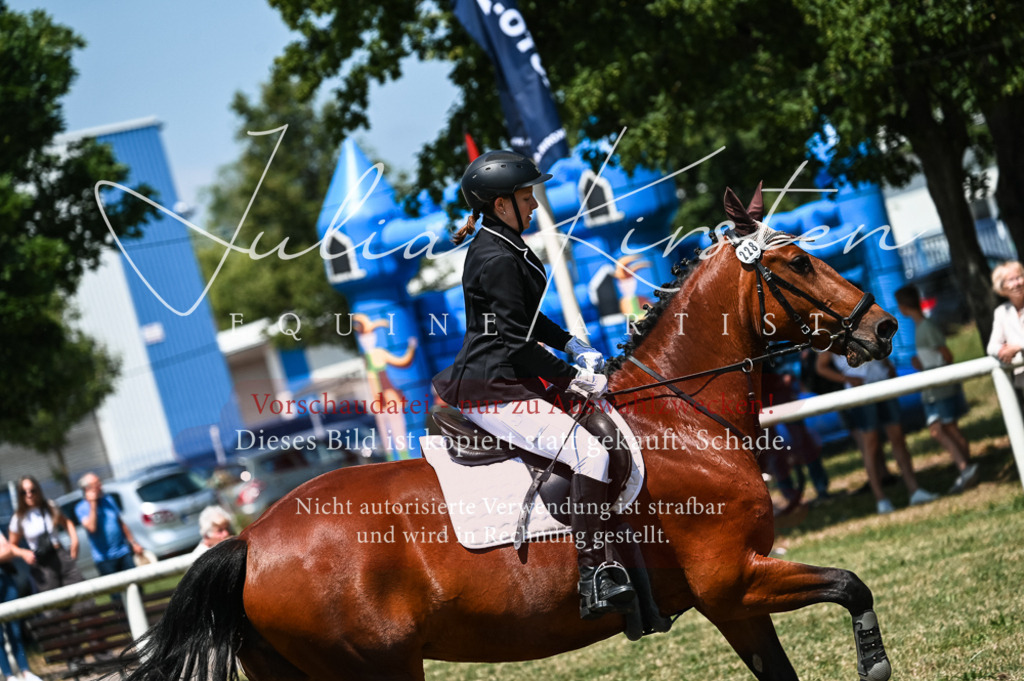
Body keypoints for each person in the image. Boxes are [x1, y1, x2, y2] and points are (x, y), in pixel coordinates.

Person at [432, 150, 635, 619]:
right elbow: (516, 342)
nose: (536, 206)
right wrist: (574, 375)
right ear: (501, 204)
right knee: (592, 454)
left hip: (510, 377)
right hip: (494, 388)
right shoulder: (496, 256)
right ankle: (594, 576)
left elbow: (526, 319)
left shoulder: (503, 245)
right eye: (527, 197)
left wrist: (569, 342)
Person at [816, 352, 939, 514]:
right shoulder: (832, 331)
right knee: (871, 444)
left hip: (882, 382)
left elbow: (877, 346)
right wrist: (848, 379)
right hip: (860, 392)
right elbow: (821, 367)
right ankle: (881, 499)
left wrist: (888, 365)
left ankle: (914, 490)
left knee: (898, 438)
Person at [895, 286, 978, 494]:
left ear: (904, 307)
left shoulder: (926, 327)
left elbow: (946, 355)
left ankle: (966, 468)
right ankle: (966, 468)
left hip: (939, 386)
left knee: (941, 429)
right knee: (947, 428)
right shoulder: (921, 327)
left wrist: (938, 373)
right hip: (934, 384)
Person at [8, 476, 85, 594]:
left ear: (38, 490)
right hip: (41, 562)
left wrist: (74, 541)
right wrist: (24, 553)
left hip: (60, 554)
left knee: (79, 594)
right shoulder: (18, 517)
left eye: (32, 491)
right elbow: (12, 545)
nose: (29, 495)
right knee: (53, 605)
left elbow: (67, 522)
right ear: (20, 495)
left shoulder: (49, 506)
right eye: (24, 492)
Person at [75, 473, 144, 575]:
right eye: (97, 484)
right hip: (104, 559)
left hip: (123, 552)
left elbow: (121, 523)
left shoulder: (108, 500)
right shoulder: (81, 508)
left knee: (136, 586)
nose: (101, 486)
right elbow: (92, 528)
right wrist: (93, 504)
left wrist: (133, 543)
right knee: (116, 590)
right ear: (87, 489)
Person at [0, 533, 45, 681]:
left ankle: (26, 672)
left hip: (6, 580)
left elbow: (8, 550)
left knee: (16, 630)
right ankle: (9, 676)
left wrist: (9, 551)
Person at [987, 261, 1024, 408]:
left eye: (1019, 277)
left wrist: (1018, 347)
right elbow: (991, 347)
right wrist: (1004, 351)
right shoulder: (1001, 312)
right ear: (1002, 286)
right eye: (1011, 280)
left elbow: (1017, 346)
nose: (1017, 284)